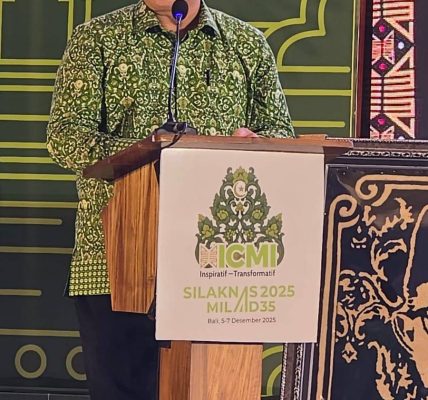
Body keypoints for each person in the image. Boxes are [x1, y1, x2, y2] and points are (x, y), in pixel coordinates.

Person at [46, 0, 294, 399]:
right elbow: (65, 138)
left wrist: (255, 144)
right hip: (117, 257)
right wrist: (151, 149)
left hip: (223, 267)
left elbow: (280, 136)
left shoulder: (246, 43)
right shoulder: (97, 38)